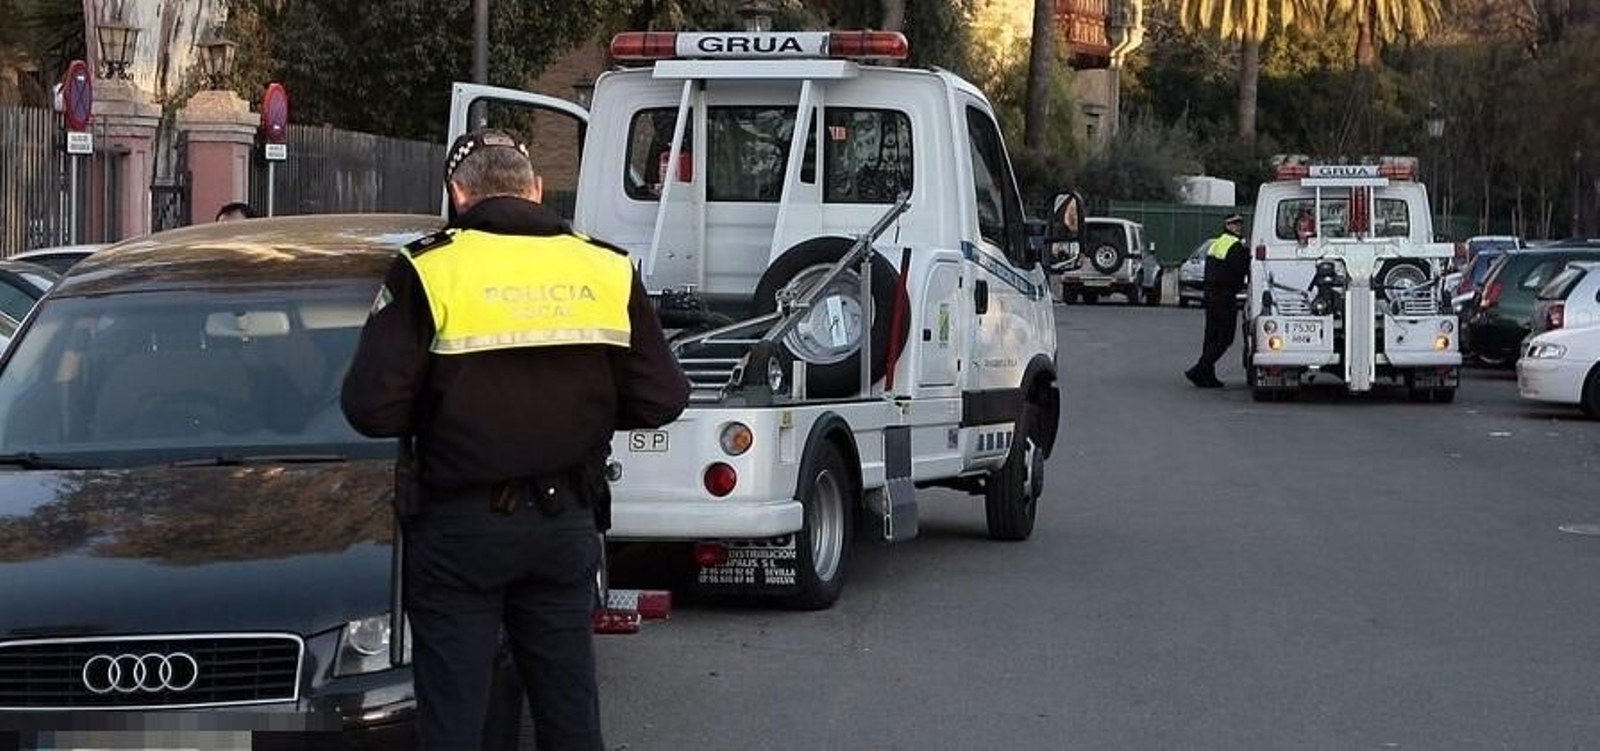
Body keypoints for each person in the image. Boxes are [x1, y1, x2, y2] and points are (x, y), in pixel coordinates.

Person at [341, 129, 690, 750]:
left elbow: (371, 409)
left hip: (460, 529)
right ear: (534, 189)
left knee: (456, 717)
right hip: (565, 523)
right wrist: (581, 416)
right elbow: (662, 398)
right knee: (568, 712)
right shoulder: (606, 267)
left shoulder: (428, 268)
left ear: (458, 193)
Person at [1185, 214, 1251, 388]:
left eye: (1239, 224)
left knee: (1211, 337)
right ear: (1227, 226)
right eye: (1234, 225)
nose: (1238, 227)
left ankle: (1207, 375)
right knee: (1224, 338)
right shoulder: (1235, 246)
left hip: (1211, 294)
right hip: (1224, 295)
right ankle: (1198, 370)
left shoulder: (1217, 243)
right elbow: (1242, 269)